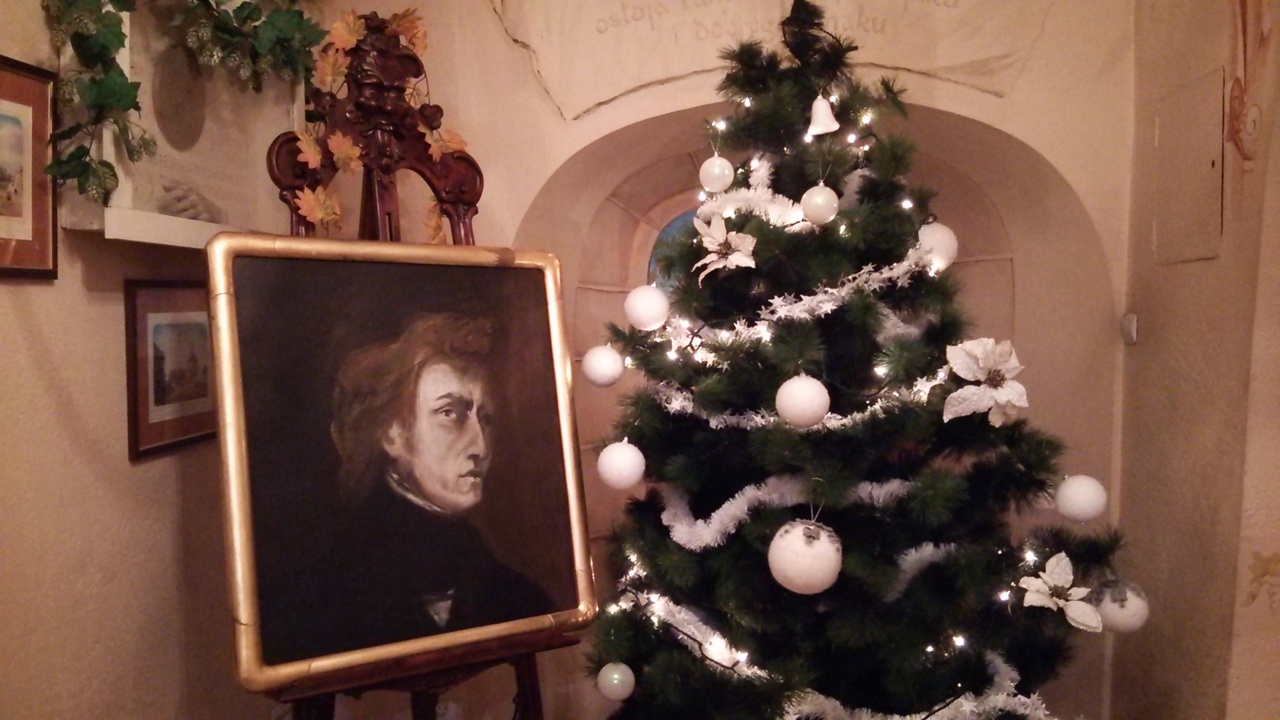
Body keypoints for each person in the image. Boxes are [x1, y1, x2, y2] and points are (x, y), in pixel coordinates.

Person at [304, 312, 553, 657]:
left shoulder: (514, 592)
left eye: (485, 419)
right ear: (391, 433)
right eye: (451, 413)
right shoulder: (328, 588)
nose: (480, 446)